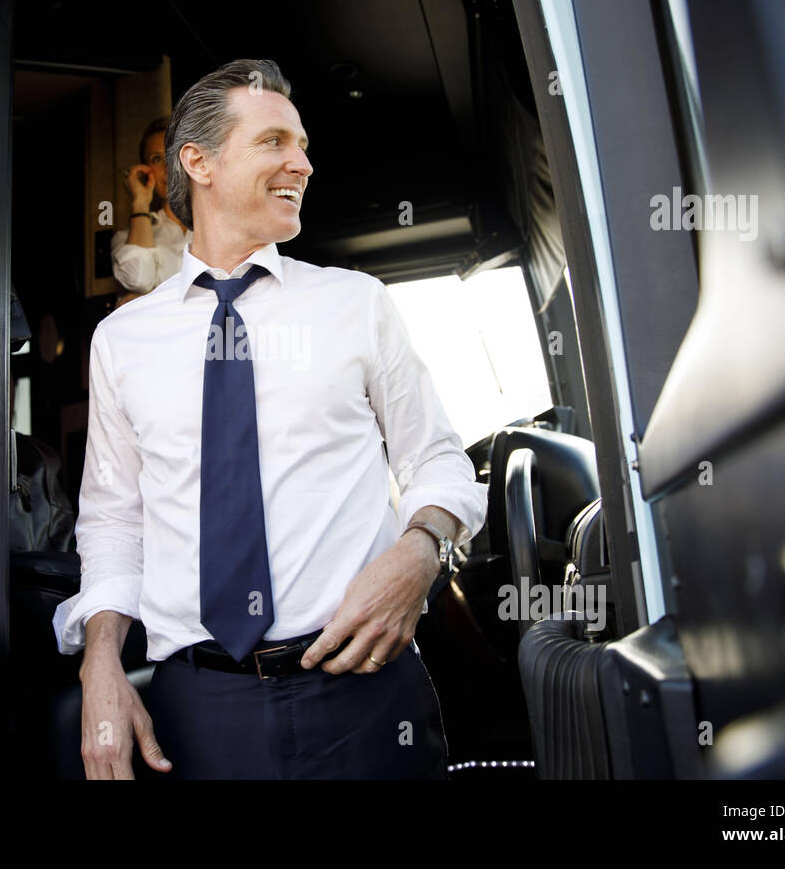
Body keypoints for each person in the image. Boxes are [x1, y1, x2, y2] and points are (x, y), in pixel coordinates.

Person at [53, 59, 488, 779]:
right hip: (198, 710)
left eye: (304, 145)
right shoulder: (122, 342)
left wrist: (420, 549)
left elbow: (438, 457)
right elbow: (112, 521)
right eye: (276, 142)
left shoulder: (357, 304)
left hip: (367, 692)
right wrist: (99, 663)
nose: (304, 164)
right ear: (199, 162)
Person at [109, 116, 192, 298]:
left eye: (174, 154)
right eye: (156, 159)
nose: (168, 167)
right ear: (147, 171)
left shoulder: (224, 229)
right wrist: (140, 201)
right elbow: (138, 279)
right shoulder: (125, 239)